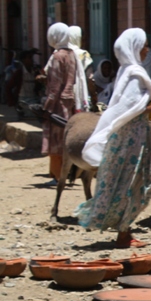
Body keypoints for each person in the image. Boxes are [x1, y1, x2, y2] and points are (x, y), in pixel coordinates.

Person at [76, 29, 151, 249]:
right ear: (134, 47)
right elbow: (127, 109)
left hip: (136, 140)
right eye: (144, 45)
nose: (146, 49)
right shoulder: (133, 74)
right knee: (141, 182)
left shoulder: (129, 72)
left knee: (136, 183)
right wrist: (150, 107)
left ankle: (124, 229)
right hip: (129, 142)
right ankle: (124, 231)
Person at [40, 23, 77, 182]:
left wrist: (46, 107)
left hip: (57, 105)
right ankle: (65, 174)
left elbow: (54, 87)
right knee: (64, 139)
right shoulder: (72, 54)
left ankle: (56, 175)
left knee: (55, 142)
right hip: (69, 102)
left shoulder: (57, 57)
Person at [67, 26, 91, 112]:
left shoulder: (57, 53)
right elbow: (90, 78)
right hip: (78, 95)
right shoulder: (83, 54)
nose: (84, 42)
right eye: (82, 39)